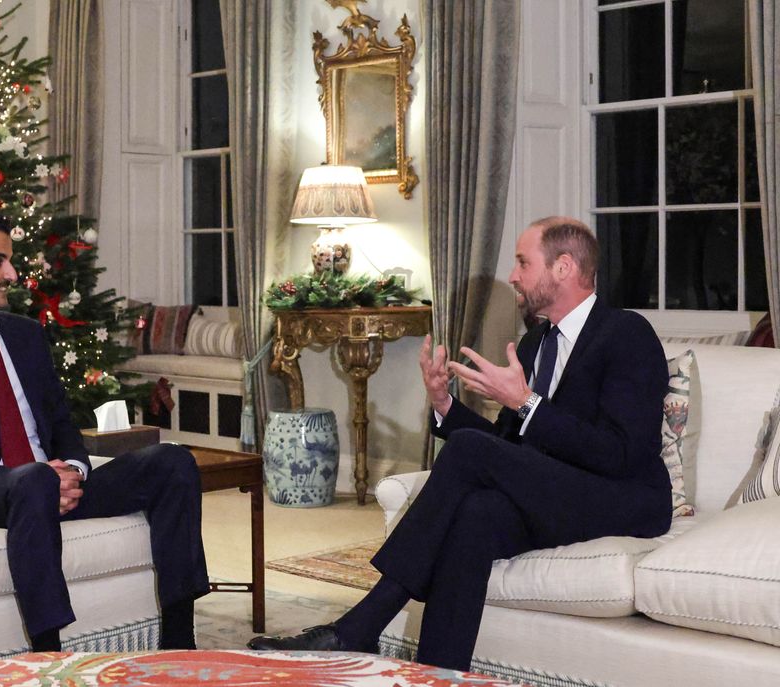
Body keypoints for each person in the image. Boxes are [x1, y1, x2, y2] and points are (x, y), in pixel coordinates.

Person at [248, 216, 672, 669]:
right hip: (558, 495)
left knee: (470, 451)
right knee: (476, 514)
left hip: (622, 497)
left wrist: (526, 403)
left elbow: (621, 452)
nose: (513, 276)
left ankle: (358, 627)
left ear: (563, 267)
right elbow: (504, 451)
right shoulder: (534, 345)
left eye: (523, 263)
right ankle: (440, 674)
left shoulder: (626, 333)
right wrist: (445, 406)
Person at [0, 210, 210, 652]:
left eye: (10, 261)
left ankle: (179, 641)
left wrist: (72, 469)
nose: (11, 273)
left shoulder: (25, 334)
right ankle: (47, 653)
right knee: (32, 478)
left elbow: (58, 423)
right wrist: (28, 477)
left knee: (172, 461)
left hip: (45, 482)